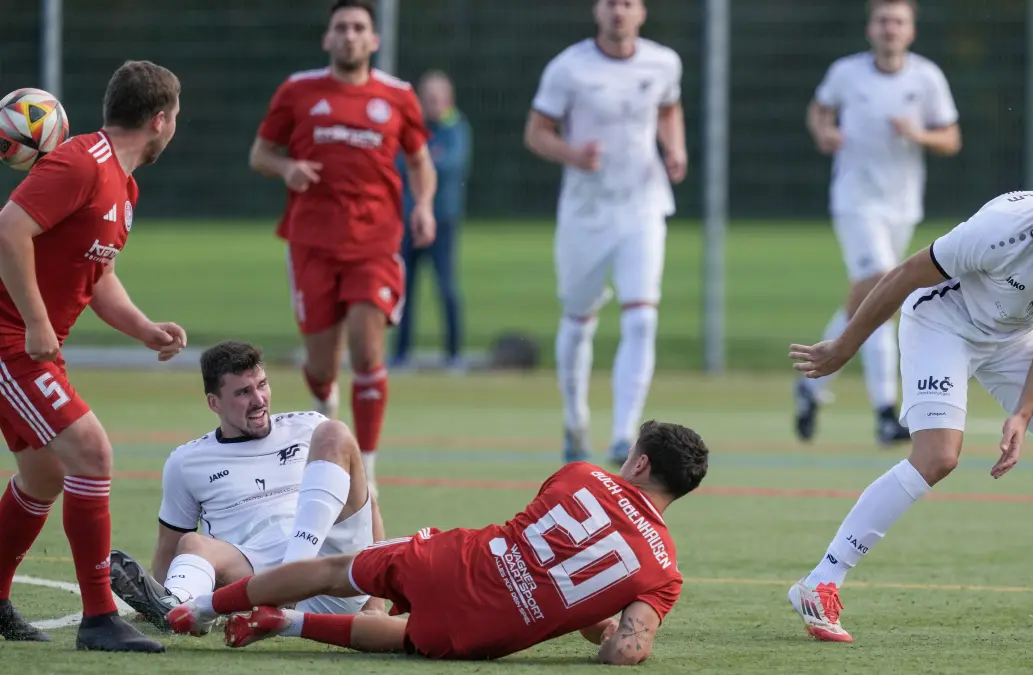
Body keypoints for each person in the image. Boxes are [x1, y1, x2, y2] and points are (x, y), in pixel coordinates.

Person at [786, 163, 1033, 642]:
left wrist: (1022, 414)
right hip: (944, 323)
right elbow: (903, 276)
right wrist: (845, 345)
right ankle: (820, 582)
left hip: (1018, 337)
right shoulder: (1002, 229)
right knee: (937, 457)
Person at [165, 420, 708, 664]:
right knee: (409, 638)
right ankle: (291, 623)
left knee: (338, 569)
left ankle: (203, 607)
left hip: (454, 561)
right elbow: (623, 650)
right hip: (484, 632)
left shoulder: (583, 474)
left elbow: (550, 545)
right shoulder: (663, 573)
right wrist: (605, 633)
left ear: (638, 463)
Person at [0, 60, 185, 652]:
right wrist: (34, 323)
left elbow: (98, 276)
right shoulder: (82, 161)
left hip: (32, 346)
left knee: (44, 475)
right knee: (91, 451)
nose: (174, 128)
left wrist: (145, 329)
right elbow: (8, 229)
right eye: (175, 118)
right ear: (160, 120)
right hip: (10, 343)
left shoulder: (123, 188)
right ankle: (100, 618)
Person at [248, 0, 436, 495]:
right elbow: (261, 153)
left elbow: (419, 160)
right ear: (327, 39)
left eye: (359, 28)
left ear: (373, 40)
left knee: (368, 351)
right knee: (322, 364)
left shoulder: (398, 96)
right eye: (341, 28)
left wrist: (424, 206)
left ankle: (366, 466)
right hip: (311, 241)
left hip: (374, 242)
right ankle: (328, 411)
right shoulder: (299, 91)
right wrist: (287, 168)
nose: (350, 35)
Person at [107, 340, 381, 635]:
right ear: (215, 403)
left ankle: (292, 573)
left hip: (329, 573)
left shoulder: (308, 426)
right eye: (243, 392)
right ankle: (177, 607)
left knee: (334, 431)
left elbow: (365, 508)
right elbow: (168, 548)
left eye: (262, 385)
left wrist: (375, 604)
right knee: (191, 544)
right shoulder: (187, 461)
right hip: (255, 585)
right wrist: (165, 589)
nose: (259, 399)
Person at [524, 0, 687, 465]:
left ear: (642, 12)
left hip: (643, 206)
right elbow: (536, 132)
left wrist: (674, 148)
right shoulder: (569, 67)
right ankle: (576, 420)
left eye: (629, 3)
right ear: (598, 11)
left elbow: (669, 109)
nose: (620, 11)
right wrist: (572, 154)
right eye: (611, 3)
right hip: (585, 213)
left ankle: (622, 434)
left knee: (642, 316)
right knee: (579, 318)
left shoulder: (663, 62)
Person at [795, 0, 961, 446]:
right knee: (885, 289)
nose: (891, 28)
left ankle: (811, 384)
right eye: (883, 20)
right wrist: (823, 133)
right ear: (870, 29)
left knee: (866, 299)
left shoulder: (925, 77)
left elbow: (950, 138)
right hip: (855, 200)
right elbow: (819, 110)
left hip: (902, 206)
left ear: (911, 31)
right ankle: (887, 411)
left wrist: (918, 134)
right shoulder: (847, 72)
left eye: (899, 22)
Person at [391, 70, 471, 372]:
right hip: (407, 221)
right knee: (403, 289)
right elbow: (399, 161)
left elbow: (452, 164)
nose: (433, 104)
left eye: (438, 98)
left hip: (443, 221)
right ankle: (400, 354)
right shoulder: (410, 126)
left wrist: (422, 159)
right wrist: (424, 159)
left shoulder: (456, 126)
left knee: (447, 288)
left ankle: (453, 354)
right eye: (428, 98)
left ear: (448, 100)